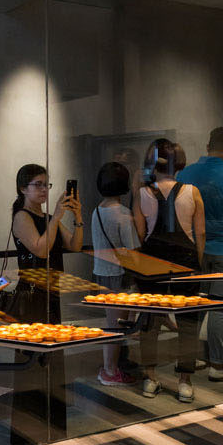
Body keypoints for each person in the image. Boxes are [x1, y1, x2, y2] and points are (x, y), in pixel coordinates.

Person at [177, 125, 223, 382]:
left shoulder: (186, 173)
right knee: (220, 308)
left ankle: (189, 358)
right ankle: (218, 366)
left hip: (194, 250)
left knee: (195, 307)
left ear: (208, 146)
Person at [137, 137, 206, 403]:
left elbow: (141, 234)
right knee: (188, 323)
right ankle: (185, 382)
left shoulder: (142, 193)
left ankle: (150, 377)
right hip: (186, 261)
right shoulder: (193, 191)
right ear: (179, 163)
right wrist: (195, 264)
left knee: (150, 321)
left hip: (151, 261)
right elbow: (200, 234)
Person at [91, 162, 140, 387]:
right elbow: (132, 250)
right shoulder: (123, 214)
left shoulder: (97, 210)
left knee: (112, 322)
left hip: (100, 272)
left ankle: (109, 368)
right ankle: (109, 371)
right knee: (115, 327)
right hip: (118, 274)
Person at [10, 163, 83, 305]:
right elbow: (41, 251)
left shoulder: (48, 218)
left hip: (52, 286)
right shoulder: (22, 216)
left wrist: (78, 215)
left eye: (46, 185)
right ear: (23, 188)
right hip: (32, 289)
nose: (44, 189)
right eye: (38, 185)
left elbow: (75, 246)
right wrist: (56, 217)